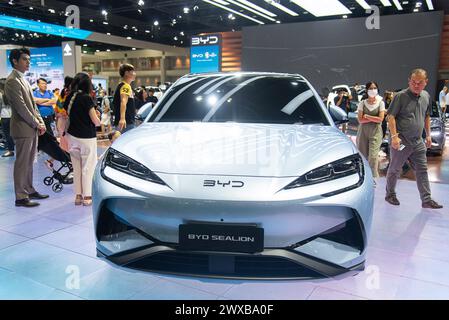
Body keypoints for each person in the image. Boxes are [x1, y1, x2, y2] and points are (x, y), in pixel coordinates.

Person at [385, 68, 443, 209]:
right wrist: (394, 137)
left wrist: (428, 135)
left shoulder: (426, 96)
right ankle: (390, 194)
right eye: (413, 82)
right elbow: (390, 116)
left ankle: (426, 199)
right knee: (395, 169)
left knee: (422, 170)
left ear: (426, 82)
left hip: (418, 142)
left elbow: (427, 116)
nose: (416, 85)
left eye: (419, 82)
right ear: (409, 81)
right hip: (402, 141)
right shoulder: (400, 96)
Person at [5, 48, 48, 207]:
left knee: (30, 162)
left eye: (29, 60)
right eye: (24, 59)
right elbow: (21, 107)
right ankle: (20, 196)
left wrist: (40, 122)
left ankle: (29, 189)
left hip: (31, 127)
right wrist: (36, 122)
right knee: (22, 162)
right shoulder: (12, 81)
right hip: (22, 128)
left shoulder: (23, 79)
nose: (28, 62)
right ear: (15, 61)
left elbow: (32, 105)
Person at [63, 72, 101, 206]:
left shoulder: (69, 97)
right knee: (88, 167)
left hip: (71, 137)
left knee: (77, 168)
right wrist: (99, 117)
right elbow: (95, 121)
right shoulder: (86, 98)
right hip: (86, 137)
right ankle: (87, 197)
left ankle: (78, 196)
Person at [356, 81, 385, 181]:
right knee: (362, 156)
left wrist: (367, 116)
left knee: (373, 157)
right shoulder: (362, 103)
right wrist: (374, 118)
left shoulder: (381, 103)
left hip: (376, 132)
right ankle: (363, 179)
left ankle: (374, 179)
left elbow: (380, 119)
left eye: (374, 88)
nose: (373, 90)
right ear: (367, 90)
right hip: (363, 132)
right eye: (370, 88)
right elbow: (360, 120)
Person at [113, 64, 136, 133]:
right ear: (126, 73)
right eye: (132, 71)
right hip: (126, 123)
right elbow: (123, 101)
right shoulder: (126, 86)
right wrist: (122, 119)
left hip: (124, 122)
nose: (134, 73)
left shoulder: (121, 85)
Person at [55, 76, 73, 152]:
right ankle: (69, 160)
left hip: (60, 120)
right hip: (66, 121)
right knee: (68, 143)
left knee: (64, 142)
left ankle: (52, 160)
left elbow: (57, 109)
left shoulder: (62, 93)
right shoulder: (69, 94)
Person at [0, 82, 15, 157]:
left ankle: (10, 151)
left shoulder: (0, 95)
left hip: (5, 117)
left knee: (7, 135)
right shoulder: (12, 94)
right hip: (14, 117)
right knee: (15, 134)